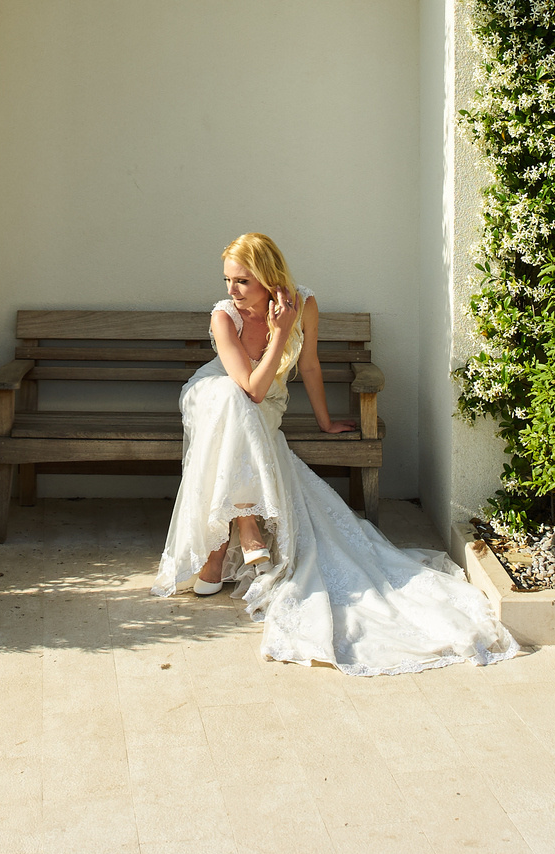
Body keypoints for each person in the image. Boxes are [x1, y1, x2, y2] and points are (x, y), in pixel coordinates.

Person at [150, 232, 518, 674]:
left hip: (263, 406)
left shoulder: (303, 304)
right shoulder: (223, 316)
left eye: (242, 281)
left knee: (242, 412)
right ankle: (244, 524)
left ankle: (219, 552)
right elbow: (248, 387)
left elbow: (305, 366)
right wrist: (279, 333)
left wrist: (324, 419)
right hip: (212, 397)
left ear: (268, 278)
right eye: (228, 280)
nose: (232, 290)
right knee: (230, 398)